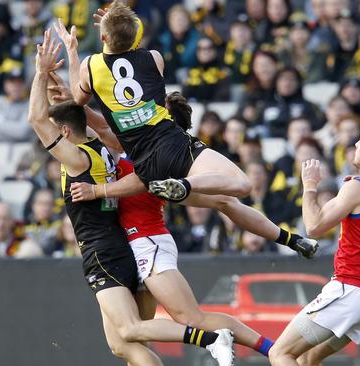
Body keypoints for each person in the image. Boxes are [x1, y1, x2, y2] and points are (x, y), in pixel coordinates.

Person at [28, 33, 234, 366]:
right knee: (122, 345)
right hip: (118, 245)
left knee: (131, 329)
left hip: (102, 251)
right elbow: (80, 112)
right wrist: (62, 74)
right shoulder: (99, 148)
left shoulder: (79, 160)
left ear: (64, 134)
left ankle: (211, 337)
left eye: (57, 130)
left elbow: (37, 119)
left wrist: (40, 73)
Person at [54, 2, 316, 254]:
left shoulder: (91, 68)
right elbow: (132, 42)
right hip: (174, 149)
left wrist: (73, 50)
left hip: (149, 170)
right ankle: (185, 183)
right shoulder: (154, 58)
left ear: (103, 38)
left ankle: (292, 240)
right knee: (241, 185)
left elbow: (80, 102)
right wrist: (116, 28)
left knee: (225, 202)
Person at [269, 122, 360, 366]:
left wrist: (309, 186)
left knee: (280, 354)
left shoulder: (357, 188)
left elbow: (313, 227)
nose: (354, 144)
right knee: (308, 359)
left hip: (349, 290)